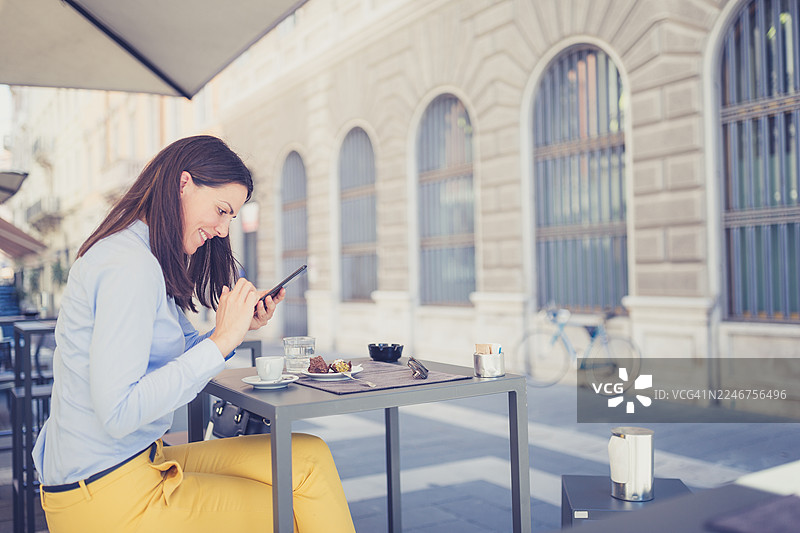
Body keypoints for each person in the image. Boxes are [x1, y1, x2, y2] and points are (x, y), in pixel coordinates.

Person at [33, 135, 356, 532]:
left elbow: (181, 349)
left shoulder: (144, 255)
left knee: (308, 457)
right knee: (293, 511)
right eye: (221, 210)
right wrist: (221, 341)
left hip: (137, 460)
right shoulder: (129, 267)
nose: (222, 230)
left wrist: (234, 330)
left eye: (231, 218)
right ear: (183, 183)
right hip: (105, 495)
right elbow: (118, 412)